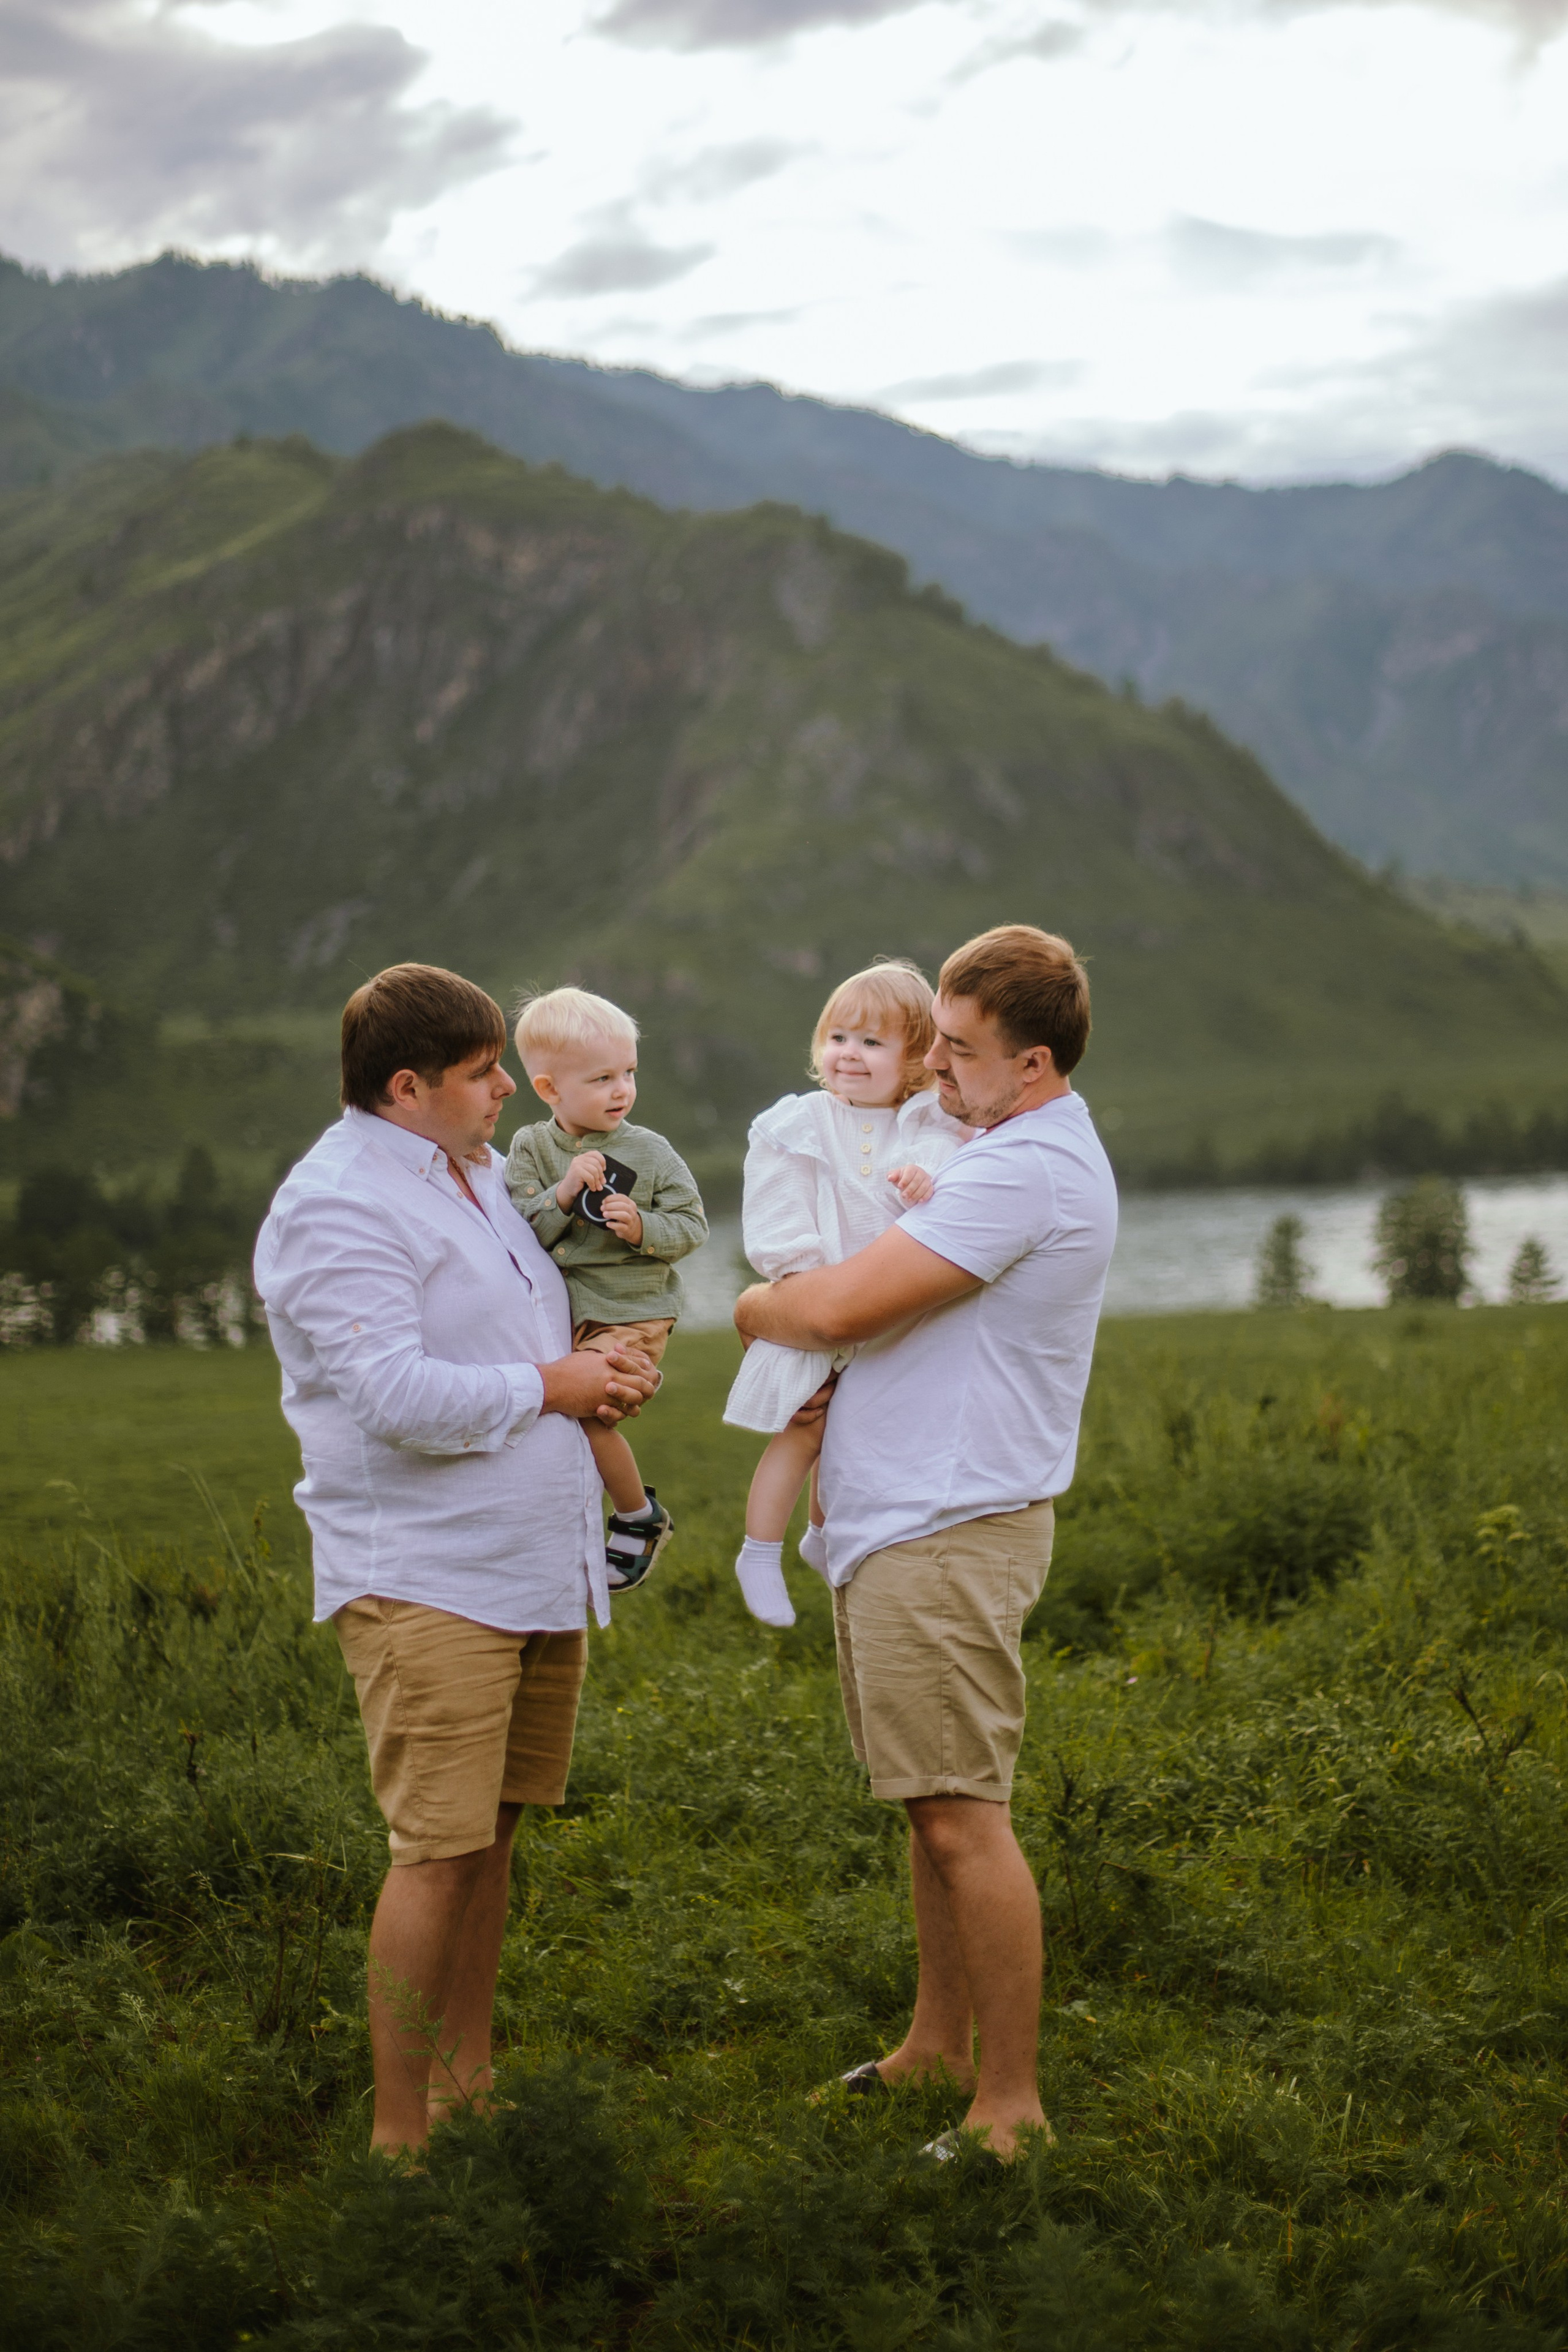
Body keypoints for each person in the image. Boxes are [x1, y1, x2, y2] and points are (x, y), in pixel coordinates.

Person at [253, 963, 660, 2154]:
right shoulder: (336, 1204)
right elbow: (389, 1395)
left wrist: (594, 1371)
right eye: (484, 1075)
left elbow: (505, 1341)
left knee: (493, 1833)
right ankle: (399, 2141)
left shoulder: (475, 1174)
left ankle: (466, 2088)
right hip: (426, 1577)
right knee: (434, 1850)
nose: (505, 1093)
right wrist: (552, 1383)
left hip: (532, 1562)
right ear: (404, 1085)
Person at [733, 924, 1117, 2163]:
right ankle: (932, 2047)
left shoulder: (1019, 1169)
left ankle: (1008, 2108)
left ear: (1036, 1062)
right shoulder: (990, 1144)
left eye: (956, 1052)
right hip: (902, 1520)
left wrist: (752, 1306)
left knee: (962, 1814)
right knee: (927, 1807)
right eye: (932, 1043)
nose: (930, 1072)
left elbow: (840, 1304)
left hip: (947, 1525)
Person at [724, 960, 970, 1629]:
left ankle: (822, 1534)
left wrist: (928, 1178)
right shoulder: (799, 1122)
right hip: (820, 1296)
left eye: (872, 1042)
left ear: (917, 1059)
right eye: (838, 1038)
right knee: (805, 1430)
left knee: (860, 1430)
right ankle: (758, 1550)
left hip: (892, 1309)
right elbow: (778, 1207)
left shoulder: (925, 1121)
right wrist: (803, 1282)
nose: (849, 1055)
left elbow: (950, 1167)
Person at [505, 987, 707, 1588]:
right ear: (549, 1090)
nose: (622, 1090)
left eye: (629, 1073)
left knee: (589, 1412)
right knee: (549, 1425)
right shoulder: (530, 1149)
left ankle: (639, 1515)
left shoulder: (650, 1150)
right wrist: (563, 1192)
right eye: (602, 1078)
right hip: (560, 1318)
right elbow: (521, 1231)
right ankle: (552, 1534)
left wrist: (644, 1227)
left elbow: (693, 1227)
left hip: (631, 1311)